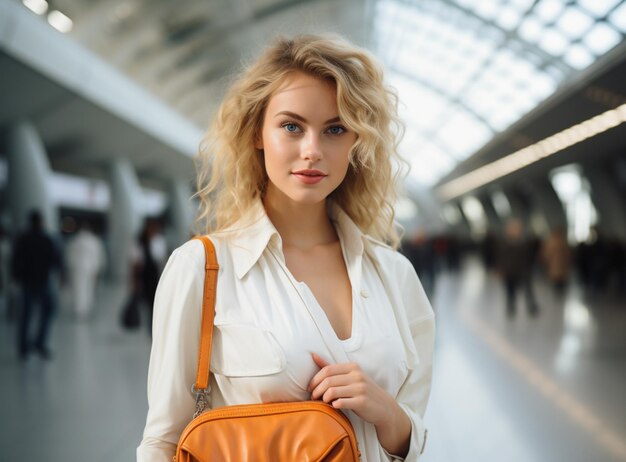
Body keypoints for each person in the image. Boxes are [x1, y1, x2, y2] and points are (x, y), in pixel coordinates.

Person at [137, 35, 435, 461]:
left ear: (356, 142)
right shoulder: (202, 268)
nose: (312, 150)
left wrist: (389, 414)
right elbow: (162, 441)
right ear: (258, 133)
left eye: (334, 129)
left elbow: (413, 435)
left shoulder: (395, 275)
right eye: (292, 126)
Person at [11, 210, 61, 360]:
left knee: (26, 315)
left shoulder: (23, 239)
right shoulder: (46, 239)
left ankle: (24, 348)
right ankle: (39, 342)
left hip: (27, 282)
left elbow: (16, 260)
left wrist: (17, 277)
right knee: (48, 310)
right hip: (42, 281)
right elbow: (55, 260)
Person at [496, 218, 539, 318]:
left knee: (528, 290)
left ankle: (531, 307)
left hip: (523, 271)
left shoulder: (524, 244)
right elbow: (501, 258)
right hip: (510, 272)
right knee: (510, 292)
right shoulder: (504, 244)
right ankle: (511, 308)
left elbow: (530, 257)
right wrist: (501, 269)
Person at [65, 221, 106, 320]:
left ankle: (79, 310)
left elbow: (70, 256)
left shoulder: (75, 241)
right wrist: (98, 268)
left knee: (79, 289)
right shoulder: (94, 241)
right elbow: (98, 256)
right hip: (90, 268)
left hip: (77, 269)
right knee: (89, 289)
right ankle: (86, 309)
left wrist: (71, 267)